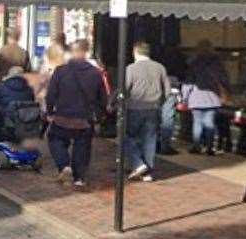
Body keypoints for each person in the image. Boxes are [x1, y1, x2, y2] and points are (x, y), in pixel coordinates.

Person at [44, 40, 108, 188]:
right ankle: (79, 177)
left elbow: (51, 94)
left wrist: (49, 111)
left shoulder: (60, 71)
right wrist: (100, 115)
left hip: (62, 117)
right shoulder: (95, 73)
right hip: (84, 118)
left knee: (55, 139)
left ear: (72, 52)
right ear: (86, 52)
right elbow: (102, 97)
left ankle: (64, 165)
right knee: (82, 147)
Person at [123, 41, 171, 182]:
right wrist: (159, 103)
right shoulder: (160, 68)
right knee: (149, 140)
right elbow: (167, 91)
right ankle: (147, 172)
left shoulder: (130, 69)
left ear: (135, 52)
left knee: (127, 137)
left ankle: (138, 163)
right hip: (153, 109)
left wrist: (118, 102)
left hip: (134, 108)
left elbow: (125, 88)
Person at [183, 41, 230, 156]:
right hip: (212, 98)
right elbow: (224, 79)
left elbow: (188, 82)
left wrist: (185, 97)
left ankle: (197, 146)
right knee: (209, 122)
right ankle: (209, 147)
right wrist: (227, 91)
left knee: (197, 123)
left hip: (196, 97)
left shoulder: (194, 63)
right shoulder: (217, 63)